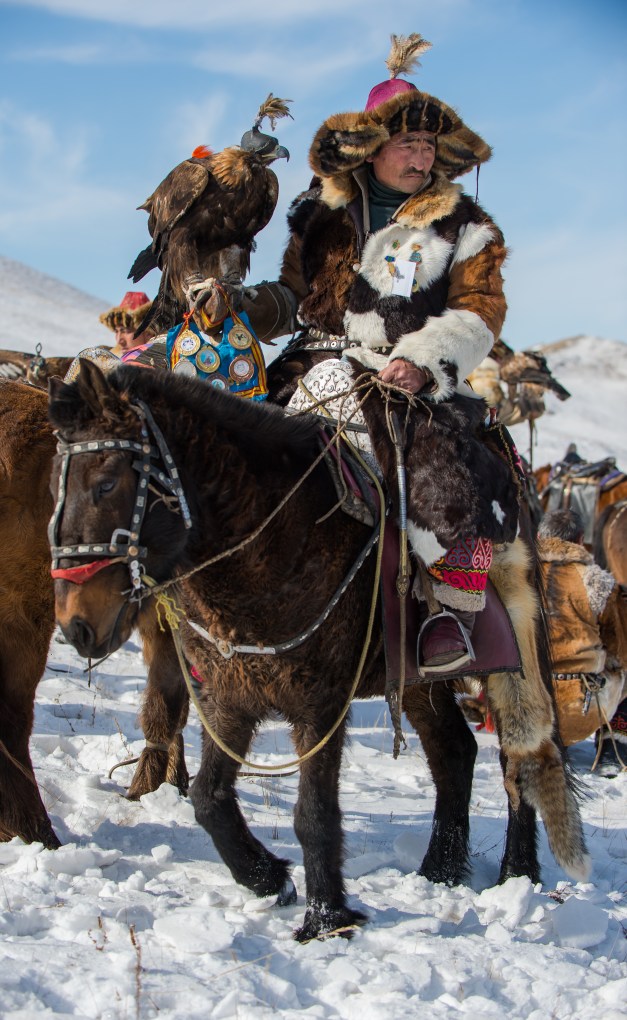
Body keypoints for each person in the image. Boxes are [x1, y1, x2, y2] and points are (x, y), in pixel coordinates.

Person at [200, 32, 513, 671]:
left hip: (411, 378)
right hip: (312, 366)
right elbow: (291, 296)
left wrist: (424, 361)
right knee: (227, 456)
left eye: (429, 145)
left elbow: (481, 313)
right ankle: (218, 608)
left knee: (444, 472)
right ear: (372, 150)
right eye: (408, 143)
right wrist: (240, 305)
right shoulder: (320, 214)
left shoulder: (464, 226)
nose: (421, 157)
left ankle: (450, 610)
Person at [536, 508, 626, 772]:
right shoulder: (597, 581)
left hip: (523, 709)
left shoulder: (517, 577)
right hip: (579, 710)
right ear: (580, 540)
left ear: (539, 536)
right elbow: (620, 652)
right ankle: (614, 745)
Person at [99, 291, 152, 356]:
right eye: (116, 331)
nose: (119, 340)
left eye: (126, 331)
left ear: (148, 333)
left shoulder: (164, 362)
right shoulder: (108, 361)